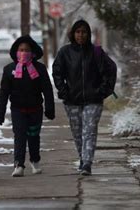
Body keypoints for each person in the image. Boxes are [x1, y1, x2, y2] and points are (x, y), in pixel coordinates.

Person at [52, 20, 116, 176]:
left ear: (88, 34)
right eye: (78, 32)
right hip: (72, 100)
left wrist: (102, 91)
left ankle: (87, 163)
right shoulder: (65, 52)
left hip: (93, 100)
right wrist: (64, 91)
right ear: (73, 34)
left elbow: (111, 70)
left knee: (89, 130)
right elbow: (57, 72)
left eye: (84, 32)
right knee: (77, 132)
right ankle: (82, 158)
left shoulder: (96, 52)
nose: (81, 35)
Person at [0, 35, 55, 177]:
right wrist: (0, 113)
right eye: (21, 50)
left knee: (33, 136)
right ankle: (19, 164)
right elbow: (3, 93)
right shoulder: (9, 69)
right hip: (17, 110)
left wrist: (49, 108)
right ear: (16, 52)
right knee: (19, 136)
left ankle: (35, 161)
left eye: (27, 50)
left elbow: (47, 89)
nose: (23, 52)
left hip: (35, 110)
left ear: (32, 52)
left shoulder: (39, 69)